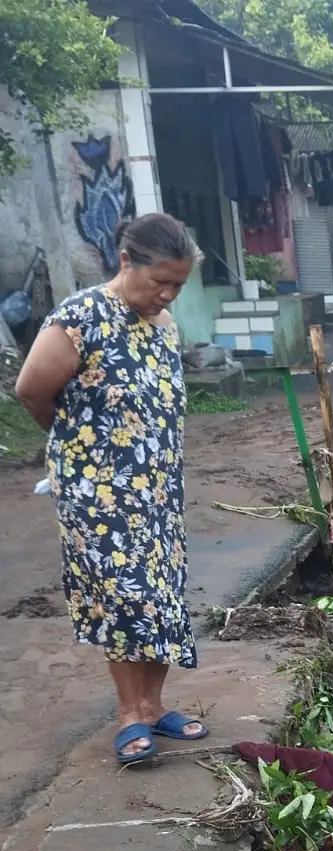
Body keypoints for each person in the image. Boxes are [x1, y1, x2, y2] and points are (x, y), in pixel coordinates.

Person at [14, 212, 210, 765]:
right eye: (160, 282)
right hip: (99, 494)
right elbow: (32, 390)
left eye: (177, 286)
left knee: (163, 594)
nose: (167, 295)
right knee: (126, 597)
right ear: (127, 262)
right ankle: (129, 716)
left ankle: (153, 706)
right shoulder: (81, 318)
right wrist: (79, 447)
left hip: (158, 488)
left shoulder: (163, 326)